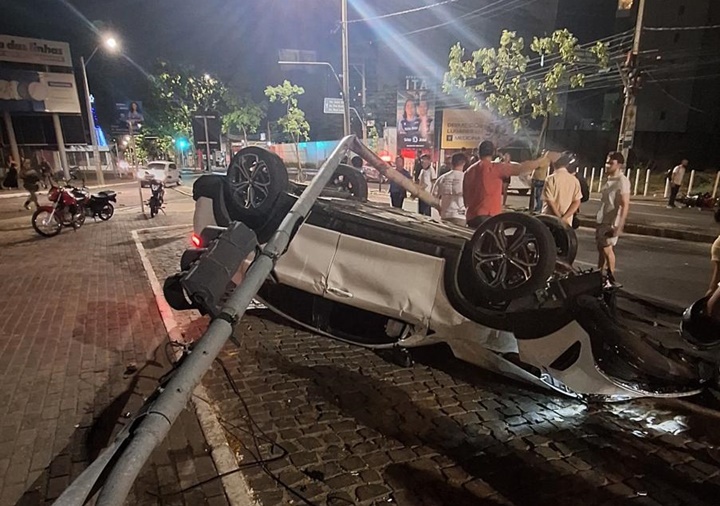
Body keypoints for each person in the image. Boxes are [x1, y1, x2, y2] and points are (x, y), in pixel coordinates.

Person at [463, 140, 556, 228]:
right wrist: (543, 160)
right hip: (488, 217)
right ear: (493, 152)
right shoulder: (495, 168)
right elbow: (522, 168)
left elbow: (465, 197)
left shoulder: (469, 171)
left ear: (479, 152)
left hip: (471, 217)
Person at [596, 152, 631, 288]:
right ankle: (599, 276)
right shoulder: (609, 179)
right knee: (601, 249)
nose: (607, 165)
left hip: (611, 221)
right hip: (602, 219)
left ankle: (611, 278)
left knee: (607, 250)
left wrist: (619, 226)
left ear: (619, 165)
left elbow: (625, 204)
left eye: (611, 163)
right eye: (607, 162)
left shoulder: (622, 181)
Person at [541, 152, 583, 227]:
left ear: (554, 164)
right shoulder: (574, 180)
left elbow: (550, 202)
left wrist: (558, 217)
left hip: (549, 219)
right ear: (567, 165)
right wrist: (565, 217)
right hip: (567, 222)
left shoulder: (550, 179)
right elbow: (576, 202)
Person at [432, 153, 466, 226]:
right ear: (464, 163)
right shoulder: (466, 178)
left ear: (451, 163)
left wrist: (440, 210)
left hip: (445, 215)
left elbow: (434, 198)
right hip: (460, 216)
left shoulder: (442, 178)